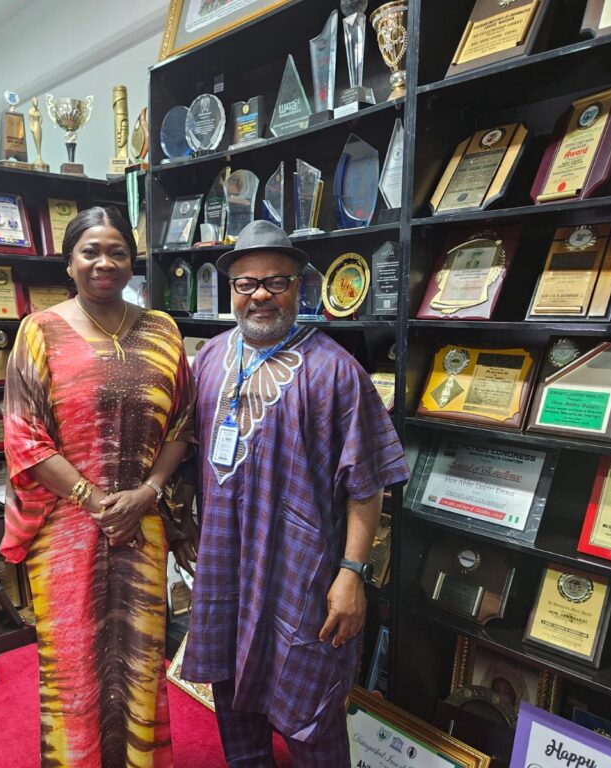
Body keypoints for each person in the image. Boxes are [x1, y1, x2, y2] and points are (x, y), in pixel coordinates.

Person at [181, 220, 410, 766]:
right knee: (230, 689)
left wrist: (351, 575)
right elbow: (185, 448)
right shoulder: (210, 358)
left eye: (276, 282)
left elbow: (368, 483)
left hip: (301, 576)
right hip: (225, 566)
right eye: (246, 283)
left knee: (311, 710)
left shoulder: (335, 370)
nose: (260, 294)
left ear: (298, 286)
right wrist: (181, 520)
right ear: (232, 289)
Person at [0, 206, 196, 767]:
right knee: (74, 665)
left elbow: (183, 424)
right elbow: (24, 436)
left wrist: (148, 492)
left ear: (132, 262)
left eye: (117, 252)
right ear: (70, 263)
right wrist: (94, 500)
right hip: (66, 526)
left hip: (143, 522)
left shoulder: (163, 330)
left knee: (139, 660)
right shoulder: (38, 331)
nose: (104, 263)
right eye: (90, 251)